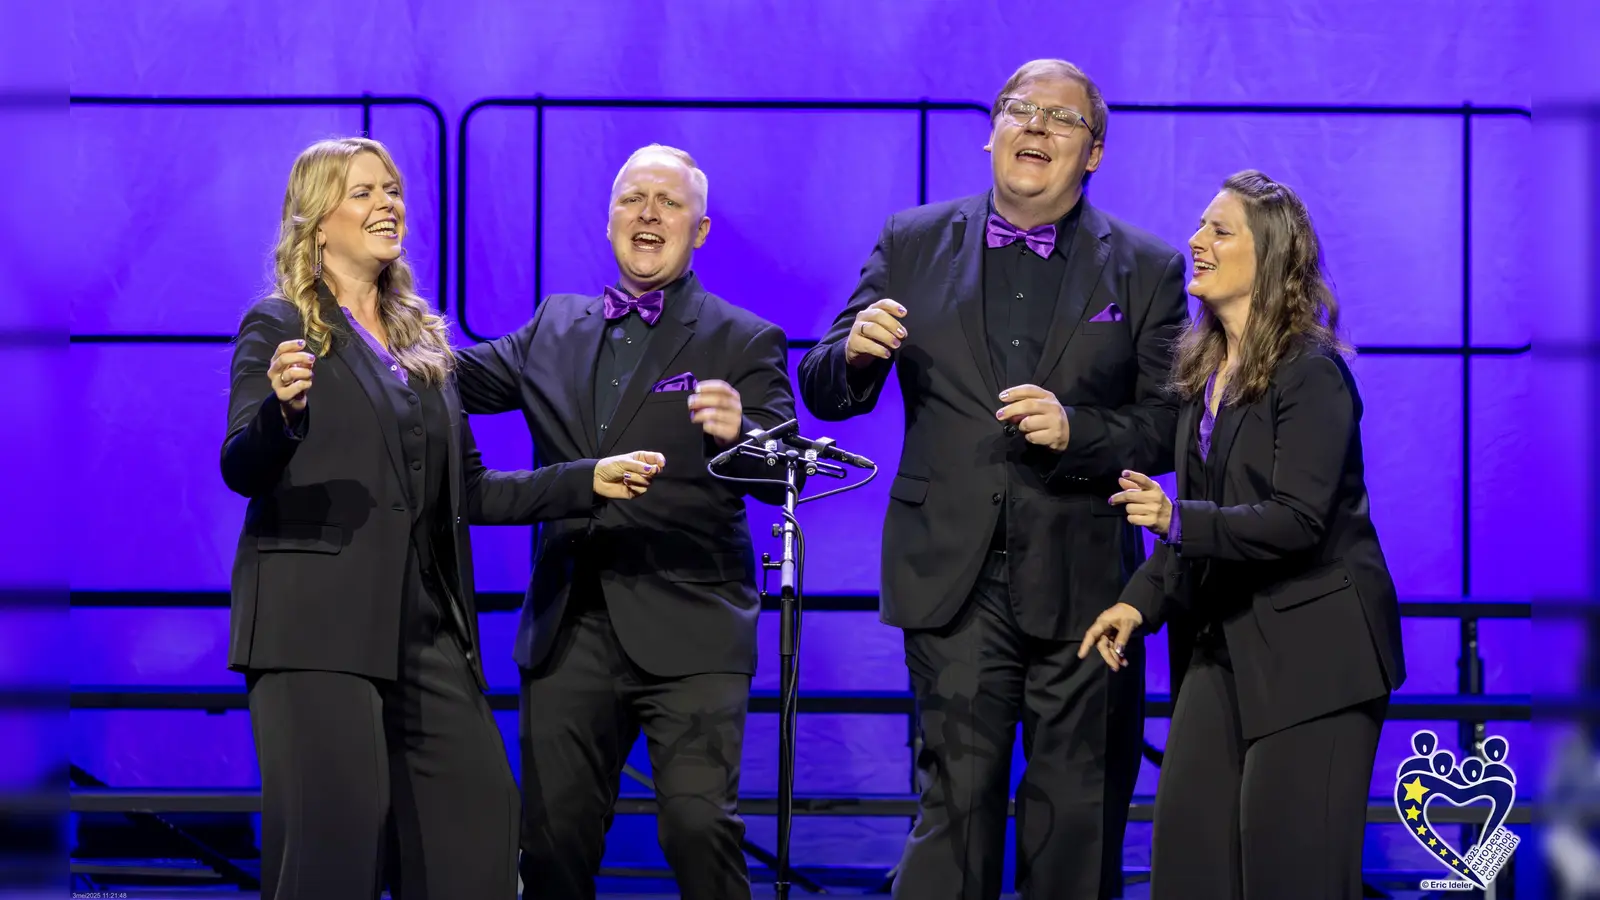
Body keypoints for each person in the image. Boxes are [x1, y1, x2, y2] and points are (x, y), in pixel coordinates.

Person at [221, 137, 665, 900]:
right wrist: (282, 414)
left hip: (424, 630)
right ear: (317, 221)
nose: (386, 203)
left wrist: (586, 479)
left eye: (391, 189)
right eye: (362, 192)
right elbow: (241, 465)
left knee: (481, 820)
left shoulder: (421, 343)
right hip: (317, 630)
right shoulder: (284, 322)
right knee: (335, 847)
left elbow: (474, 491)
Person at [798, 59, 1188, 900]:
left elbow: (1170, 427)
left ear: (1095, 153)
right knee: (955, 811)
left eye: (1061, 118)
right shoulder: (910, 240)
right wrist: (854, 353)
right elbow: (825, 387)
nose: (1036, 127)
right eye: (1019, 109)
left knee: (1076, 818)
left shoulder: (1148, 268)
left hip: (1086, 582)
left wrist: (1079, 432)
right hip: (953, 577)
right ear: (992, 131)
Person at [453, 143, 795, 900]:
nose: (648, 214)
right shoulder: (553, 325)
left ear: (699, 229)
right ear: (608, 221)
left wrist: (740, 433)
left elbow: (783, 478)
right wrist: (367, 328)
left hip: (693, 623)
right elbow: (448, 384)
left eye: (668, 202)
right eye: (632, 199)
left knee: (697, 828)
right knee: (550, 846)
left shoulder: (743, 339)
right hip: (570, 625)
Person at [1080, 170, 1408, 899]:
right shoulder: (1202, 377)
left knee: (1292, 875)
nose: (1195, 242)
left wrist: (1173, 518)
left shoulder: (1310, 372)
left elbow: (1297, 521)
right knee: (1189, 865)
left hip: (1316, 658)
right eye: (1199, 228)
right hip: (1222, 646)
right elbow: (1205, 520)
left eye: (1220, 231)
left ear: (1272, 257)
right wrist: (1139, 601)